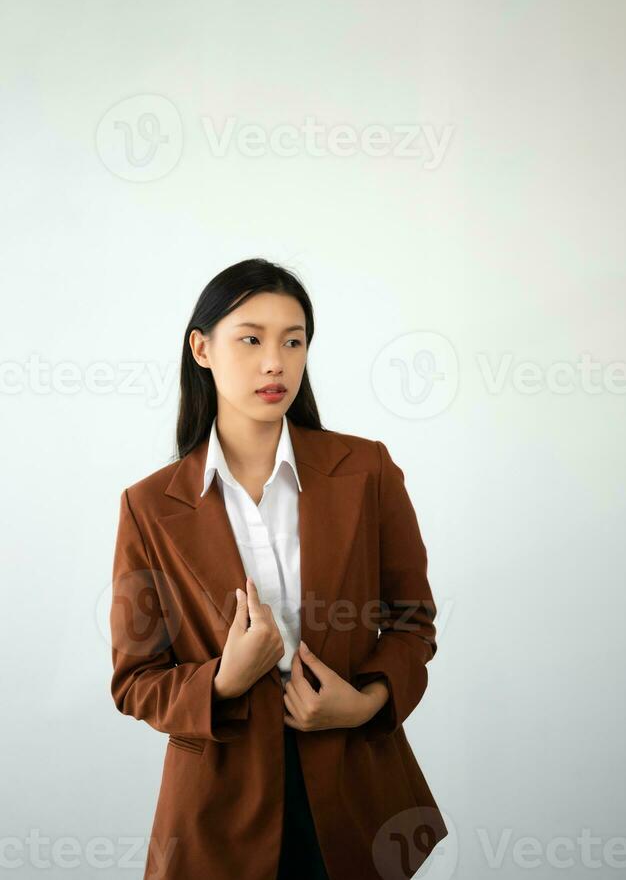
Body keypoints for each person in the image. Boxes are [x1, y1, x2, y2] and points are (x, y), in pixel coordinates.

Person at [109, 257, 448, 880]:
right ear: (201, 348)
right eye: (251, 338)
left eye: (293, 341)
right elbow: (135, 679)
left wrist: (365, 702)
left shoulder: (366, 469)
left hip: (355, 790)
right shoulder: (150, 505)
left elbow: (414, 623)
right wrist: (222, 682)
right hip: (218, 808)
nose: (276, 361)